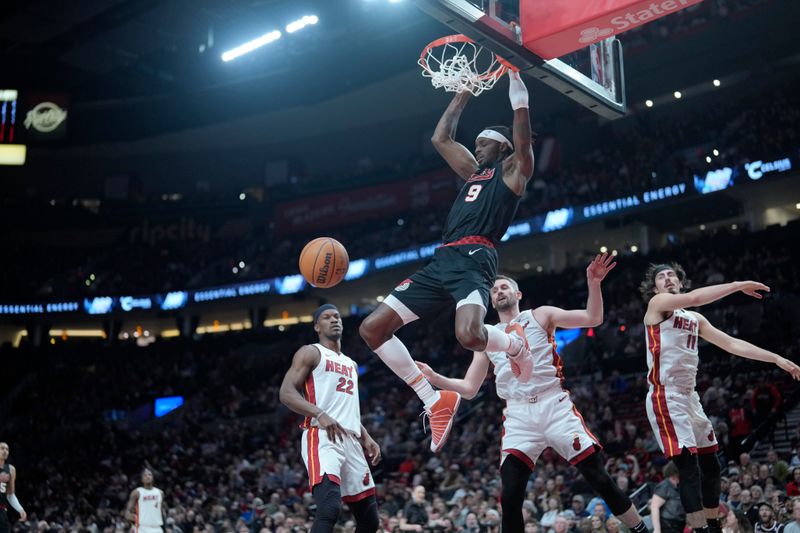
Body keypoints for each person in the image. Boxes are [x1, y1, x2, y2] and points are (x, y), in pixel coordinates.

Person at [358, 70, 536, 452]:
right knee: (372, 329)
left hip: (476, 258)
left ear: (501, 147)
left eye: (483, 143)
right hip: (442, 260)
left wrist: (516, 85)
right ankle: (433, 400)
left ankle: (516, 347)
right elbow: (441, 138)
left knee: (470, 336)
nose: (477, 147)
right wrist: (465, 91)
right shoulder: (474, 173)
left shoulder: (513, 174)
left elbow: (522, 132)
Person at [417, 256, 650, 533]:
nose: (499, 292)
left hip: (553, 404)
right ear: (490, 301)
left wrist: (594, 283)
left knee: (597, 477)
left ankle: (639, 529)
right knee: (510, 496)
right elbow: (469, 388)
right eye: (494, 290)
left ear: (517, 294)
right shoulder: (486, 337)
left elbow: (593, 318)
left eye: (504, 287)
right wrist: (435, 378)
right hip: (518, 415)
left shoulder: (540, 314)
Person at [640, 263, 800, 533]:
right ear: (655, 287)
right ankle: (700, 529)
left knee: (712, 466)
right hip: (665, 394)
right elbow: (695, 298)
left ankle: (713, 525)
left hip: (689, 397)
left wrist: (776, 358)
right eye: (661, 277)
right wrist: (737, 285)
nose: (667, 279)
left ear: (680, 282)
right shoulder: (658, 305)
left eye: (672, 276)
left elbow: (732, 344)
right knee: (688, 469)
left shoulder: (694, 320)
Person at [280, 304, 381, 533]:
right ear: (317, 326)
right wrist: (320, 414)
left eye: (337, 316)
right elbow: (286, 393)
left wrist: (366, 437)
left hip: (352, 440)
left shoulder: (351, 365)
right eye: (326, 317)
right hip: (322, 436)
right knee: (329, 508)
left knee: (369, 521)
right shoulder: (311, 352)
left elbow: (347, 409)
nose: (334, 320)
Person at [125, 468, 166, 533]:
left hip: (157, 528)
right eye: (145, 475)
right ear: (141, 479)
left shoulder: (160, 493)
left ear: (153, 478)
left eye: (150, 475)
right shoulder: (136, 492)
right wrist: (134, 518)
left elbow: (161, 512)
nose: (147, 476)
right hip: (142, 528)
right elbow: (127, 513)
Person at [652, 462, 687, 533]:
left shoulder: (679, 486)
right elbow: (654, 507)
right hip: (668, 524)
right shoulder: (664, 486)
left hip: (679, 524)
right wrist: (657, 529)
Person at [0, 442, 26, 533]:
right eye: (2, 448)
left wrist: (20, 509)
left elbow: (10, 495)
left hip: (2, 511)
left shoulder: (11, 469)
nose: (5, 451)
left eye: (7, 449)